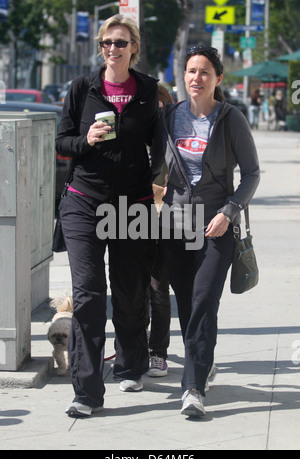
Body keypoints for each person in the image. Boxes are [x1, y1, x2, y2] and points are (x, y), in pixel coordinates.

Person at [56, 14, 162, 418]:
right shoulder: (83, 87)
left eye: (120, 42)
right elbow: (62, 143)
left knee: (130, 288)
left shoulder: (149, 90)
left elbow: (160, 147)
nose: (112, 49)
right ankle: (86, 390)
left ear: (134, 46)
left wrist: (162, 188)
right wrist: (86, 140)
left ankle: (131, 364)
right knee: (88, 292)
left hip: (131, 203)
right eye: (106, 43)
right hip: (84, 200)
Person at [157, 46, 260, 417]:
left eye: (204, 72)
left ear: (218, 78)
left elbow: (251, 173)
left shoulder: (230, 119)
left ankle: (193, 389)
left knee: (203, 302)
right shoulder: (169, 116)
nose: (196, 78)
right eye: (190, 71)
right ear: (183, 76)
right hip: (175, 224)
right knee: (186, 304)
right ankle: (202, 362)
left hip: (216, 227)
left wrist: (230, 211)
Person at [146, 84, 173, 377]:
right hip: (127, 220)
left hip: (164, 223)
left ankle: (158, 352)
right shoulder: (132, 134)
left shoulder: (169, 138)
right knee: (131, 290)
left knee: (158, 288)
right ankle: (135, 344)